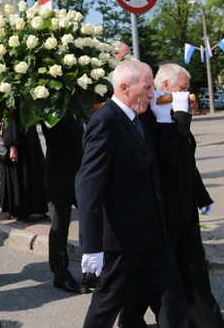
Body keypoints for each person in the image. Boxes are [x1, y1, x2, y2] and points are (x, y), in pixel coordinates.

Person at [75, 60, 187, 328]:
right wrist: (91, 245)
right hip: (122, 240)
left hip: (155, 234)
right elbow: (88, 185)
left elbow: (167, 162)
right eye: (147, 87)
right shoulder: (105, 122)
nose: (152, 93)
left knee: (172, 301)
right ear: (124, 88)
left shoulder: (144, 115)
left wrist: (165, 121)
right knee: (106, 306)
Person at [118, 64, 224, 328]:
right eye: (183, 88)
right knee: (156, 274)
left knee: (193, 271)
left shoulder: (173, 111)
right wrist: (179, 115)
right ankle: (130, 318)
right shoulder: (150, 114)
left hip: (184, 208)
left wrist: (202, 196)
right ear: (165, 87)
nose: (187, 94)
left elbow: (187, 160)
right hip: (164, 210)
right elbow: (170, 156)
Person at [42, 116, 89, 294]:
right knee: (59, 230)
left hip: (83, 178)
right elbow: (53, 140)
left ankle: (92, 271)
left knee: (90, 224)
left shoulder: (85, 110)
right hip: (58, 180)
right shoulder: (53, 112)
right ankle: (61, 276)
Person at [0, 118, 47, 220]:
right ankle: (18, 211)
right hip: (18, 143)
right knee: (19, 176)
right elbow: (10, 120)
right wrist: (12, 146)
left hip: (31, 141)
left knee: (37, 173)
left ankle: (39, 208)